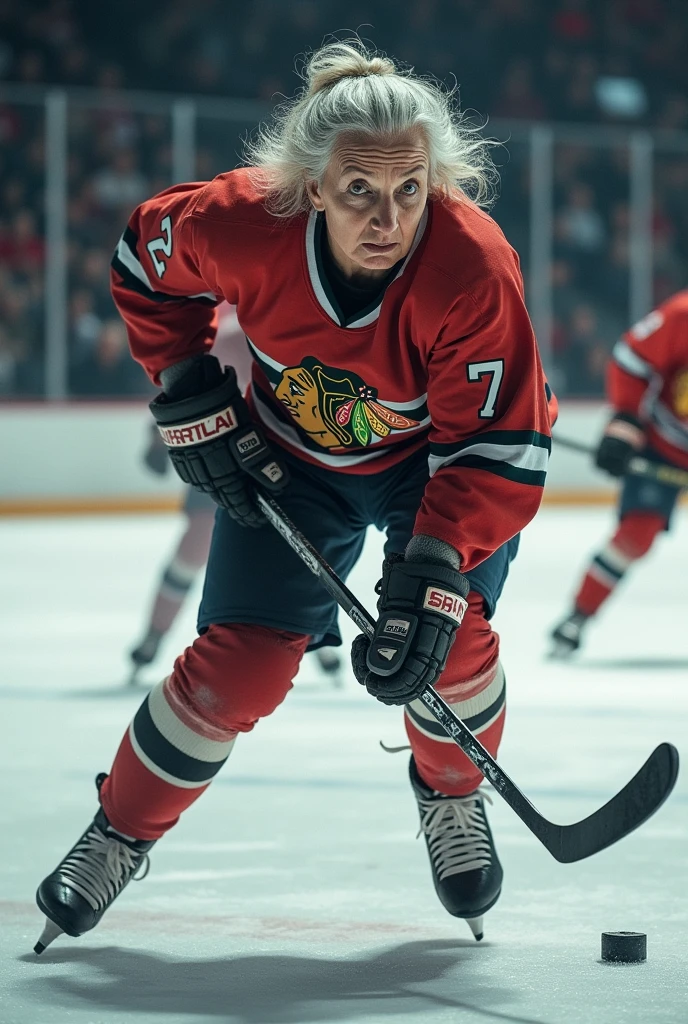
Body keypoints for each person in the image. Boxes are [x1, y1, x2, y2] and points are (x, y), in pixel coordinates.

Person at [34, 40, 551, 955]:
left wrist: (432, 570)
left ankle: (453, 795)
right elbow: (142, 260)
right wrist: (187, 386)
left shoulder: (474, 267)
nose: (387, 217)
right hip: (293, 464)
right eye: (358, 189)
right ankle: (118, 832)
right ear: (311, 186)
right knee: (238, 668)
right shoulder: (242, 222)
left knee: (448, 640)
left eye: (409, 189)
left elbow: (494, 444)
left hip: (433, 467)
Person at [128, 304, 344, 685]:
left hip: (283, 462)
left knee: (303, 552)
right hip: (222, 462)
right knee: (195, 546)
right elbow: (186, 388)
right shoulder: (226, 338)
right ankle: (153, 636)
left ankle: (319, 639)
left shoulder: (297, 330)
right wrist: (156, 436)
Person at [551, 290, 688, 656]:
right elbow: (632, 359)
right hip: (663, 442)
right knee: (636, 534)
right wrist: (625, 419)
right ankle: (578, 615)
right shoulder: (681, 315)